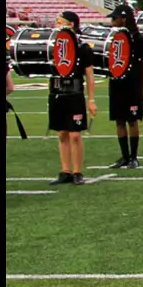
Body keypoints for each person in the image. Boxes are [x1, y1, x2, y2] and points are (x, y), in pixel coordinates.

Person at [47, 11, 98, 185]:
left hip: (74, 93)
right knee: (62, 133)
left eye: (59, 22)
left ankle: (77, 171)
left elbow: (90, 75)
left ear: (70, 25)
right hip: (56, 92)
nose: (56, 25)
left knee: (75, 134)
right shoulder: (52, 45)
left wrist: (91, 99)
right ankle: (65, 170)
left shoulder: (82, 47)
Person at [105, 3, 143, 168]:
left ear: (124, 19)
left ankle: (134, 156)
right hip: (117, 82)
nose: (112, 21)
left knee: (132, 120)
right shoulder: (113, 38)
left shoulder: (138, 39)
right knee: (119, 120)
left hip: (133, 83)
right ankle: (124, 156)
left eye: (115, 18)